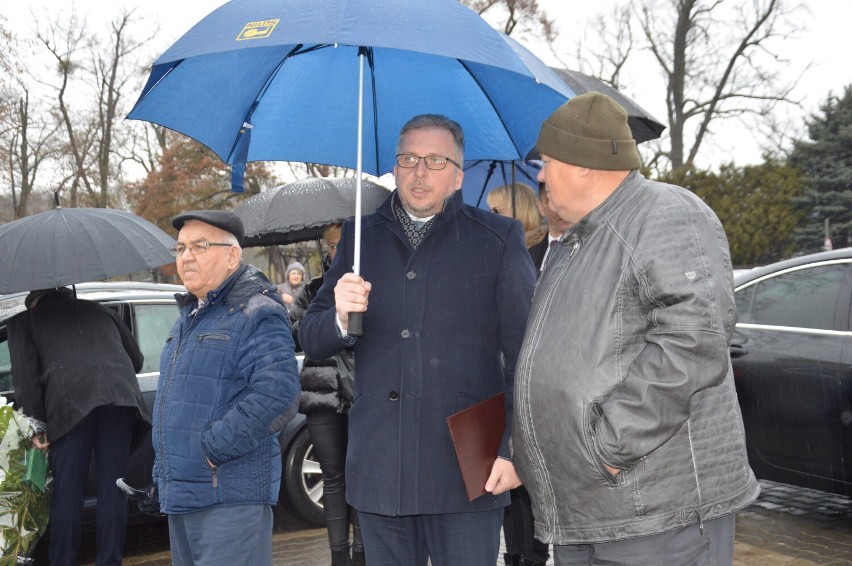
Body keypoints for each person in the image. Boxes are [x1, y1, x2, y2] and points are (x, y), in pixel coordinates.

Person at [512, 92, 760, 565]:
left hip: (655, 516)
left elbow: (693, 338)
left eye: (546, 162)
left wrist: (609, 447)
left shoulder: (665, 213)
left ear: (583, 165)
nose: (540, 175)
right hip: (588, 507)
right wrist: (531, 455)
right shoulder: (577, 239)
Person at [299, 114, 537, 565]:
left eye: (435, 160)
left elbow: (528, 353)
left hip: (470, 467)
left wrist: (513, 449)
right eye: (408, 159)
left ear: (458, 174)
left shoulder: (497, 238)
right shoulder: (359, 237)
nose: (420, 172)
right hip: (381, 467)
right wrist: (339, 316)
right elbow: (312, 336)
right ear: (394, 167)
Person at [153, 210, 300, 566]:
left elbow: (278, 394)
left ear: (232, 255)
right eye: (181, 248)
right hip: (184, 497)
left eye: (200, 246)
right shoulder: (189, 317)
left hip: (229, 497)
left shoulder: (256, 311)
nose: (186, 256)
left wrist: (212, 450)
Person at [7, 286, 152, 566]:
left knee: (67, 493)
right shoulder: (100, 311)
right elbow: (136, 360)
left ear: (33, 303)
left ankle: (63, 561)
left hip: (70, 407)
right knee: (114, 488)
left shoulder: (25, 322)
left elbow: (26, 382)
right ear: (67, 293)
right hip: (120, 401)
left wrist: (37, 428)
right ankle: (110, 561)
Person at [289, 223, 364, 566]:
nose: (335, 251)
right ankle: (339, 556)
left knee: (361, 476)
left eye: (341, 244)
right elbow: (296, 334)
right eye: (331, 245)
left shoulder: (366, 287)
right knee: (333, 477)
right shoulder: (313, 291)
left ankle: (362, 553)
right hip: (321, 396)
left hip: (361, 394)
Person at [527, 181, 573, 273]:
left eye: (569, 199)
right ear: (540, 207)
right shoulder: (527, 255)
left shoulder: (598, 250)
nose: (563, 207)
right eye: (553, 201)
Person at [486, 182, 546, 249]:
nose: (490, 216)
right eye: (490, 211)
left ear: (520, 210)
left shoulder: (545, 249)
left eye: (496, 211)